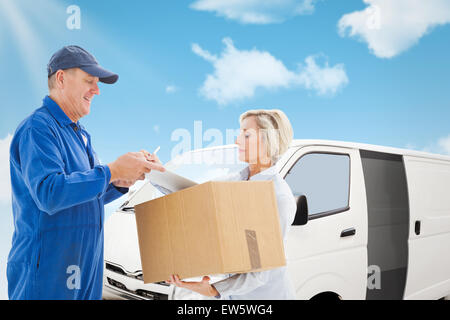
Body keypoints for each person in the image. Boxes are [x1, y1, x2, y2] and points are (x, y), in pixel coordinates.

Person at [7, 45, 164, 300]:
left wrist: (122, 180)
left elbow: (83, 196)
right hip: (47, 278)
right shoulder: (38, 129)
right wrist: (111, 170)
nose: (97, 89)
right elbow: (51, 193)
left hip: (84, 275)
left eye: (97, 82)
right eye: (89, 81)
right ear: (61, 79)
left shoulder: (79, 135)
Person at [167, 109, 296, 300]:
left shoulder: (278, 197)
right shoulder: (235, 181)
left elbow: (259, 270)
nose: (237, 141)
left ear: (269, 141)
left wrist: (214, 290)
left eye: (246, 135)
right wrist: (156, 172)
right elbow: (190, 197)